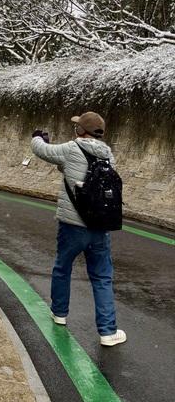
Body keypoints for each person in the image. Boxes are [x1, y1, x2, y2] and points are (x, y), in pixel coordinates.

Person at [31, 111, 126, 346]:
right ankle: (107, 331)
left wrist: (37, 137)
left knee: (63, 267)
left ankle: (60, 313)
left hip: (73, 226)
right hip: (99, 227)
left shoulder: (72, 149)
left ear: (79, 130)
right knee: (102, 277)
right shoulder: (107, 156)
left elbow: (43, 151)